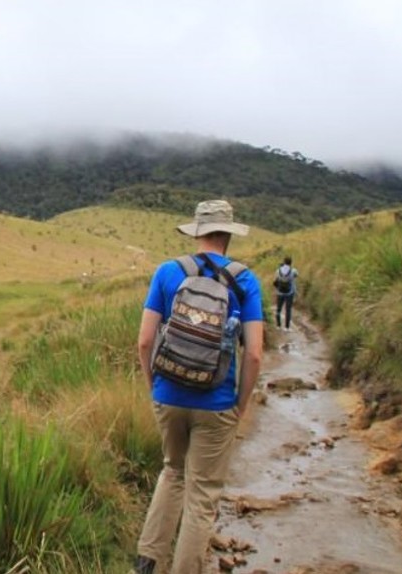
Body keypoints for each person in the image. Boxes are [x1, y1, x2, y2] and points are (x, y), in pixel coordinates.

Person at [133, 200, 265, 574]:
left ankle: (147, 563)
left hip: (167, 394)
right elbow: (254, 354)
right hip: (217, 402)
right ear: (228, 236)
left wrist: (154, 385)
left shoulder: (167, 272)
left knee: (172, 472)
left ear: (197, 232)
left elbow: (144, 341)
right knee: (202, 495)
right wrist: (240, 405)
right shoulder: (245, 279)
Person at [273, 256, 298, 331]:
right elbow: (296, 275)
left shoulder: (278, 270)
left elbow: (276, 279)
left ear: (284, 262)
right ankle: (287, 327)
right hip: (289, 292)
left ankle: (278, 325)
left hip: (280, 292)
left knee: (278, 309)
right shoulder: (293, 271)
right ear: (291, 262)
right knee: (288, 309)